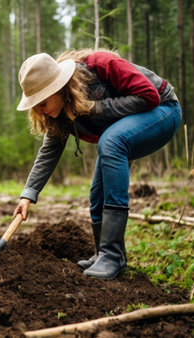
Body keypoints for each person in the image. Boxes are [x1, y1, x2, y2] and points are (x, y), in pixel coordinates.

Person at [13, 49, 181, 279]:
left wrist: (94, 108)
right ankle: (105, 253)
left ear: (59, 88)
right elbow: (49, 152)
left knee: (110, 141)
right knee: (96, 193)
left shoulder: (101, 64)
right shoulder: (57, 113)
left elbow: (148, 96)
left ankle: (112, 256)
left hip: (163, 111)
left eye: (42, 101)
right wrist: (27, 195)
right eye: (35, 104)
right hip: (124, 130)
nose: (39, 109)